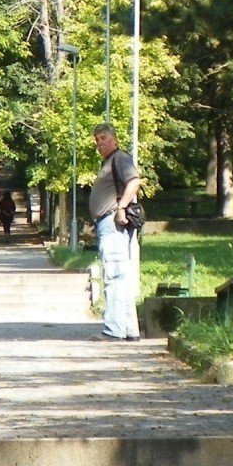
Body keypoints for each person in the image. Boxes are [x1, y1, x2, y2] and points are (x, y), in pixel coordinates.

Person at [88, 123, 142, 340]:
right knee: (122, 276)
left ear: (114, 139)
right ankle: (129, 330)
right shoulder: (110, 162)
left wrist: (121, 208)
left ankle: (113, 330)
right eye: (97, 140)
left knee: (114, 275)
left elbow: (135, 181)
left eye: (103, 138)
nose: (100, 143)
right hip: (109, 223)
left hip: (113, 222)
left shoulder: (119, 158)